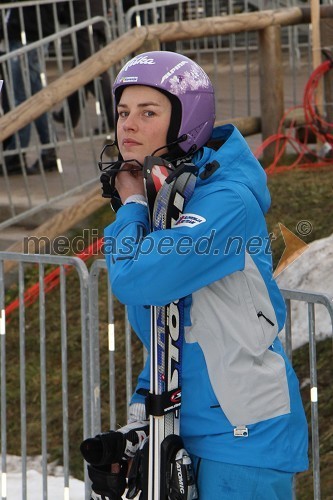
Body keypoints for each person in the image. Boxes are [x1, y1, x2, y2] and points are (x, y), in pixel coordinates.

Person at [91, 51, 309, 499]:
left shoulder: (225, 202)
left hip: (243, 436)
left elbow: (135, 279)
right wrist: (140, 420)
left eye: (148, 113)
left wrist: (130, 206)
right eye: (123, 112)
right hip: (180, 427)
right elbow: (168, 325)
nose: (127, 125)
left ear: (186, 121)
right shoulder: (170, 196)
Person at [1, 0, 58, 175]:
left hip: (28, 32)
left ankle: (17, 154)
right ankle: (46, 150)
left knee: (23, 97)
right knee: (33, 96)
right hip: (25, 30)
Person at [52, 0, 113, 132]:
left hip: (84, 19)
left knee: (93, 72)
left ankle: (112, 117)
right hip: (91, 17)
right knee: (81, 71)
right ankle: (68, 115)